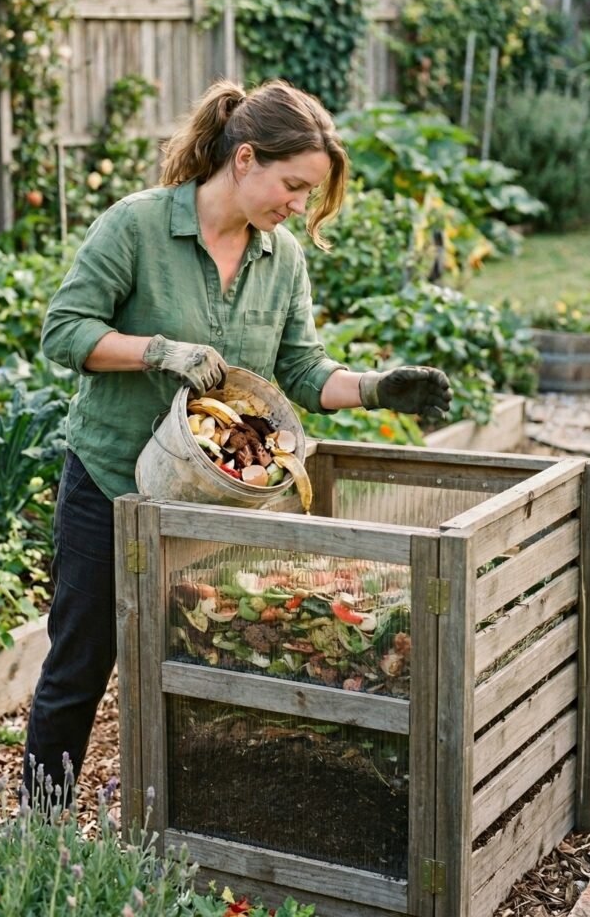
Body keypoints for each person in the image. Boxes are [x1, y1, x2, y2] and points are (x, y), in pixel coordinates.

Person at [22, 78, 451, 802]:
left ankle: (179, 830)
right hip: (111, 484)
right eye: (293, 186)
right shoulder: (137, 227)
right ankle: (40, 830)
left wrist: (377, 387)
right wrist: (160, 351)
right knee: (80, 668)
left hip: (215, 503)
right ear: (244, 158)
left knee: (200, 666)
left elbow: (303, 370)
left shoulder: (281, 258)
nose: (298, 207)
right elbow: (64, 334)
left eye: (308, 195)